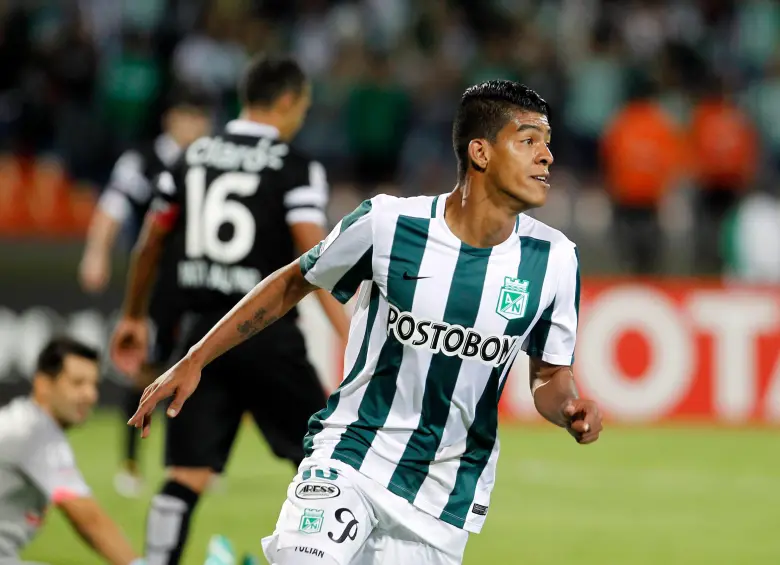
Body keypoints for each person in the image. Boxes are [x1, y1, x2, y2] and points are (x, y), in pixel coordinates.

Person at [126, 79, 603, 565]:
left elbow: (548, 375)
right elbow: (292, 283)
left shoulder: (556, 260)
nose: (546, 156)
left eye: (547, 144)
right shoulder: (389, 224)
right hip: (351, 457)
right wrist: (194, 359)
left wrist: (567, 407)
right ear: (480, 152)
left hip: (442, 495)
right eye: (529, 141)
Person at [110, 54, 351, 565]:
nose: (301, 118)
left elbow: (151, 242)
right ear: (287, 101)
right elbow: (317, 256)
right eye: (302, 107)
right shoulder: (295, 164)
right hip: (266, 333)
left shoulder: (190, 155)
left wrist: (133, 315)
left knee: (186, 473)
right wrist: (350, 331)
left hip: (198, 341)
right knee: (323, 459)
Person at [78, 88, 213, 497]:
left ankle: (196, 462)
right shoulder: (143, 161)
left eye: (203, 119)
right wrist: (96, 253)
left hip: (199, 276)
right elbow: (112, 208)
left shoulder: (209, 161)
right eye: (192, 117)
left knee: (202, 361)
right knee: (144, 367)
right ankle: (130, 462)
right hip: (155, 280)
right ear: (172, 118)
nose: (199, 127)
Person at [0, 337, 144, 565]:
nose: (90, 395)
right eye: (77, 383)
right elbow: (90, 520)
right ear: (43, 384)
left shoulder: (23, 422)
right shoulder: (33, 433)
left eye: (93, 384)